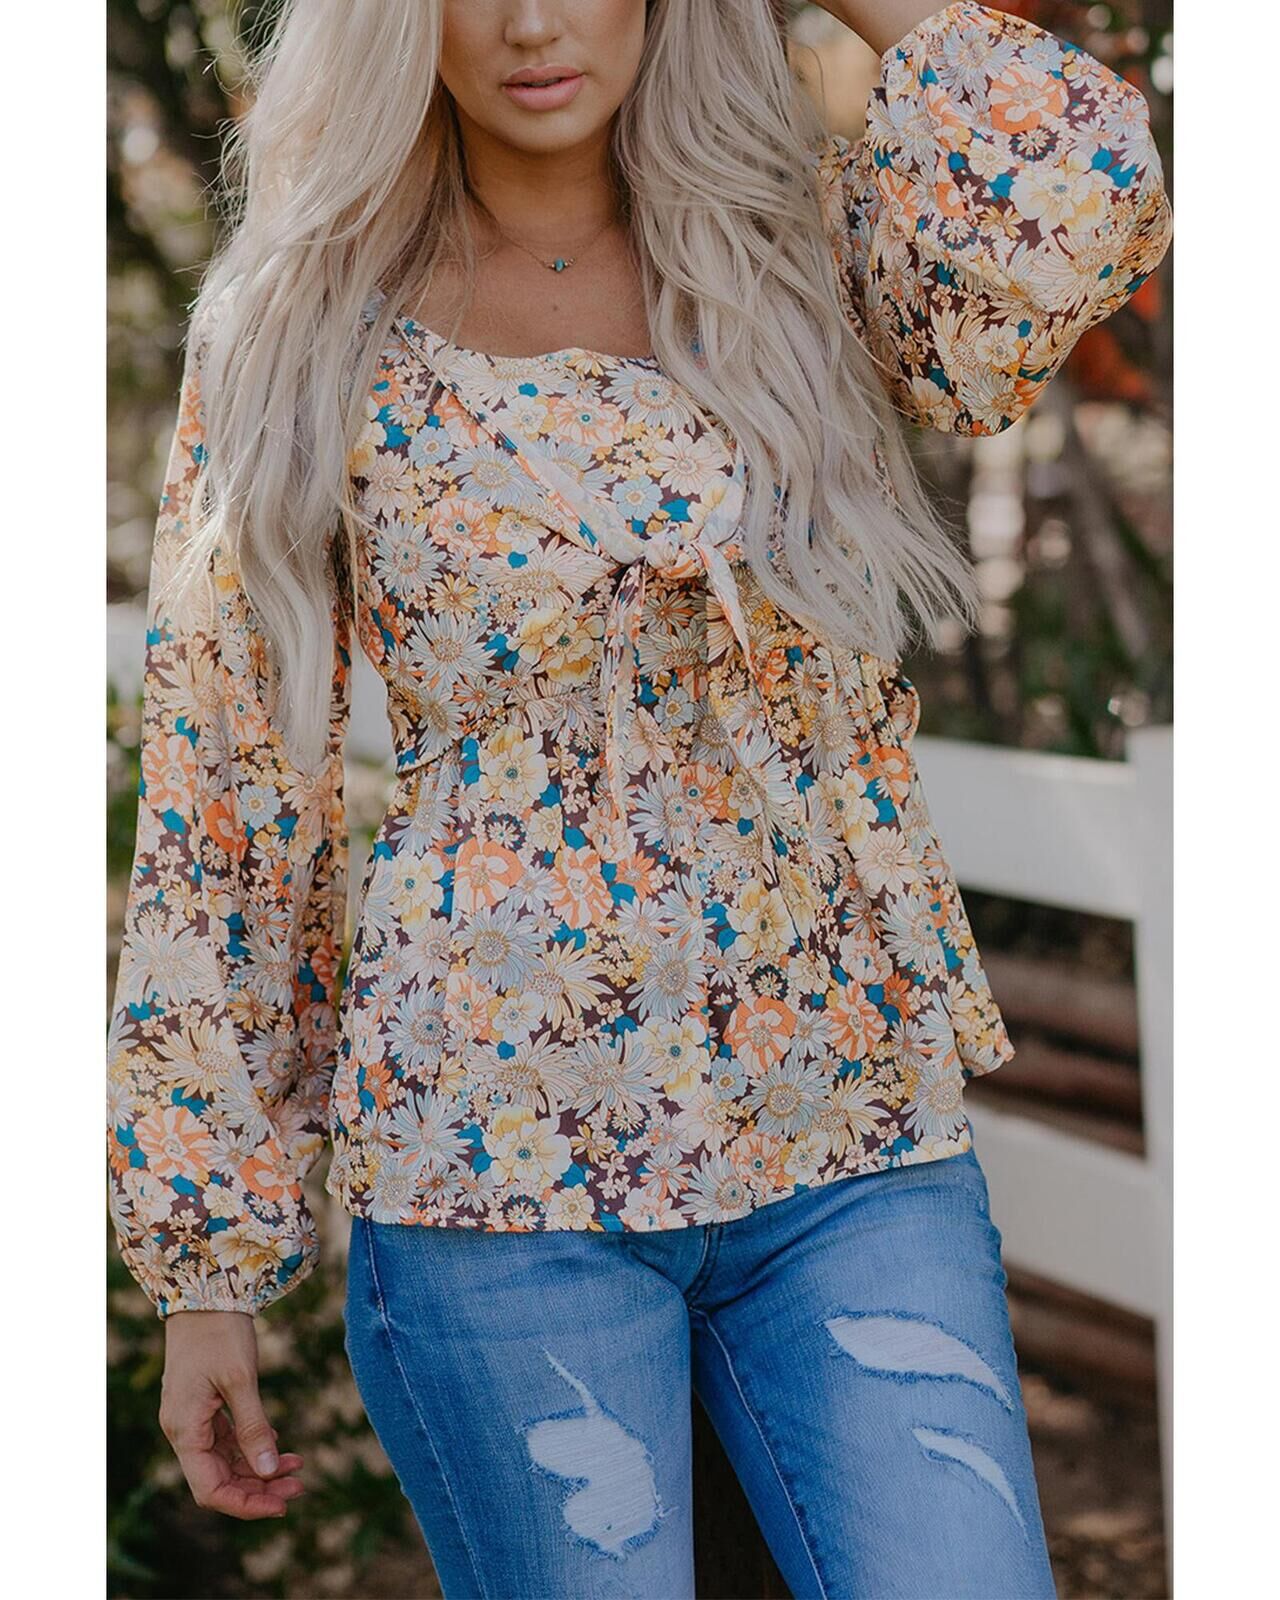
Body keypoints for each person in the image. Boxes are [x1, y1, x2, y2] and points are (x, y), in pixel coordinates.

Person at [106, 1, 1171, 1595]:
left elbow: (1079, 182)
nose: (534, 22)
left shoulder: (800, 257)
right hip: (498, 1175)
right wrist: (208, 1272)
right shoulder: (298, 326)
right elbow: (224, 800)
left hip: (847, 1128)